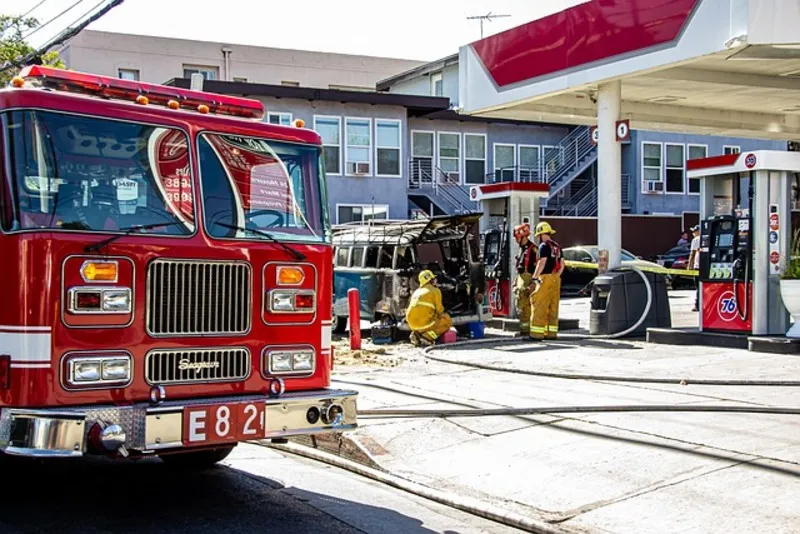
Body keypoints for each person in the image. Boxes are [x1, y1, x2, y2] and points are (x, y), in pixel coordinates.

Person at [529, 221, 564, 340]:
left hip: (545, 278)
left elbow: (542, 262)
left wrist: (535, 277)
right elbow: (562, 265)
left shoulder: (544, 246)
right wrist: (556, 276)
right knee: (553, 307)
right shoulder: (557, 246)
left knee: (539, 306)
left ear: (540, 234)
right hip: (556, 279)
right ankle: (551, 333)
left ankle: (536, 334)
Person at [406, 269, 453, 347]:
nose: (436, 280)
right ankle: (428, 338)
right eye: (434, 279)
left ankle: (416, 334)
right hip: (423, 322)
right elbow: (439, 310)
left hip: (411, 323)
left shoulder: (416, 291)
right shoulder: (435, 291)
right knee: (446, 320)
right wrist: (443, 317)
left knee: (429, 318)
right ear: (430, 280)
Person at [512, 223, 537, 336]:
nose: (516, 240)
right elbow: (520, 267)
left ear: (523, 236)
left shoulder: (533, 249)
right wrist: (516, 281)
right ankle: (524, 329)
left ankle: (527, 331)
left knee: (527, 307)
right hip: (521, 279)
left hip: (528, 279)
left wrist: (533, 282)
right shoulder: (521, 249)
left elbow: (538, 267)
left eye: (517, 237)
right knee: (520, 306)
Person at [687, 225, 701, 311]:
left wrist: (689, 265)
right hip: (705, 266)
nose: (693, 233)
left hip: (698, 266)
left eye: (694, 231)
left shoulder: (696, 240)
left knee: (698, 287)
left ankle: (697, 305)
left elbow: (692, 254)